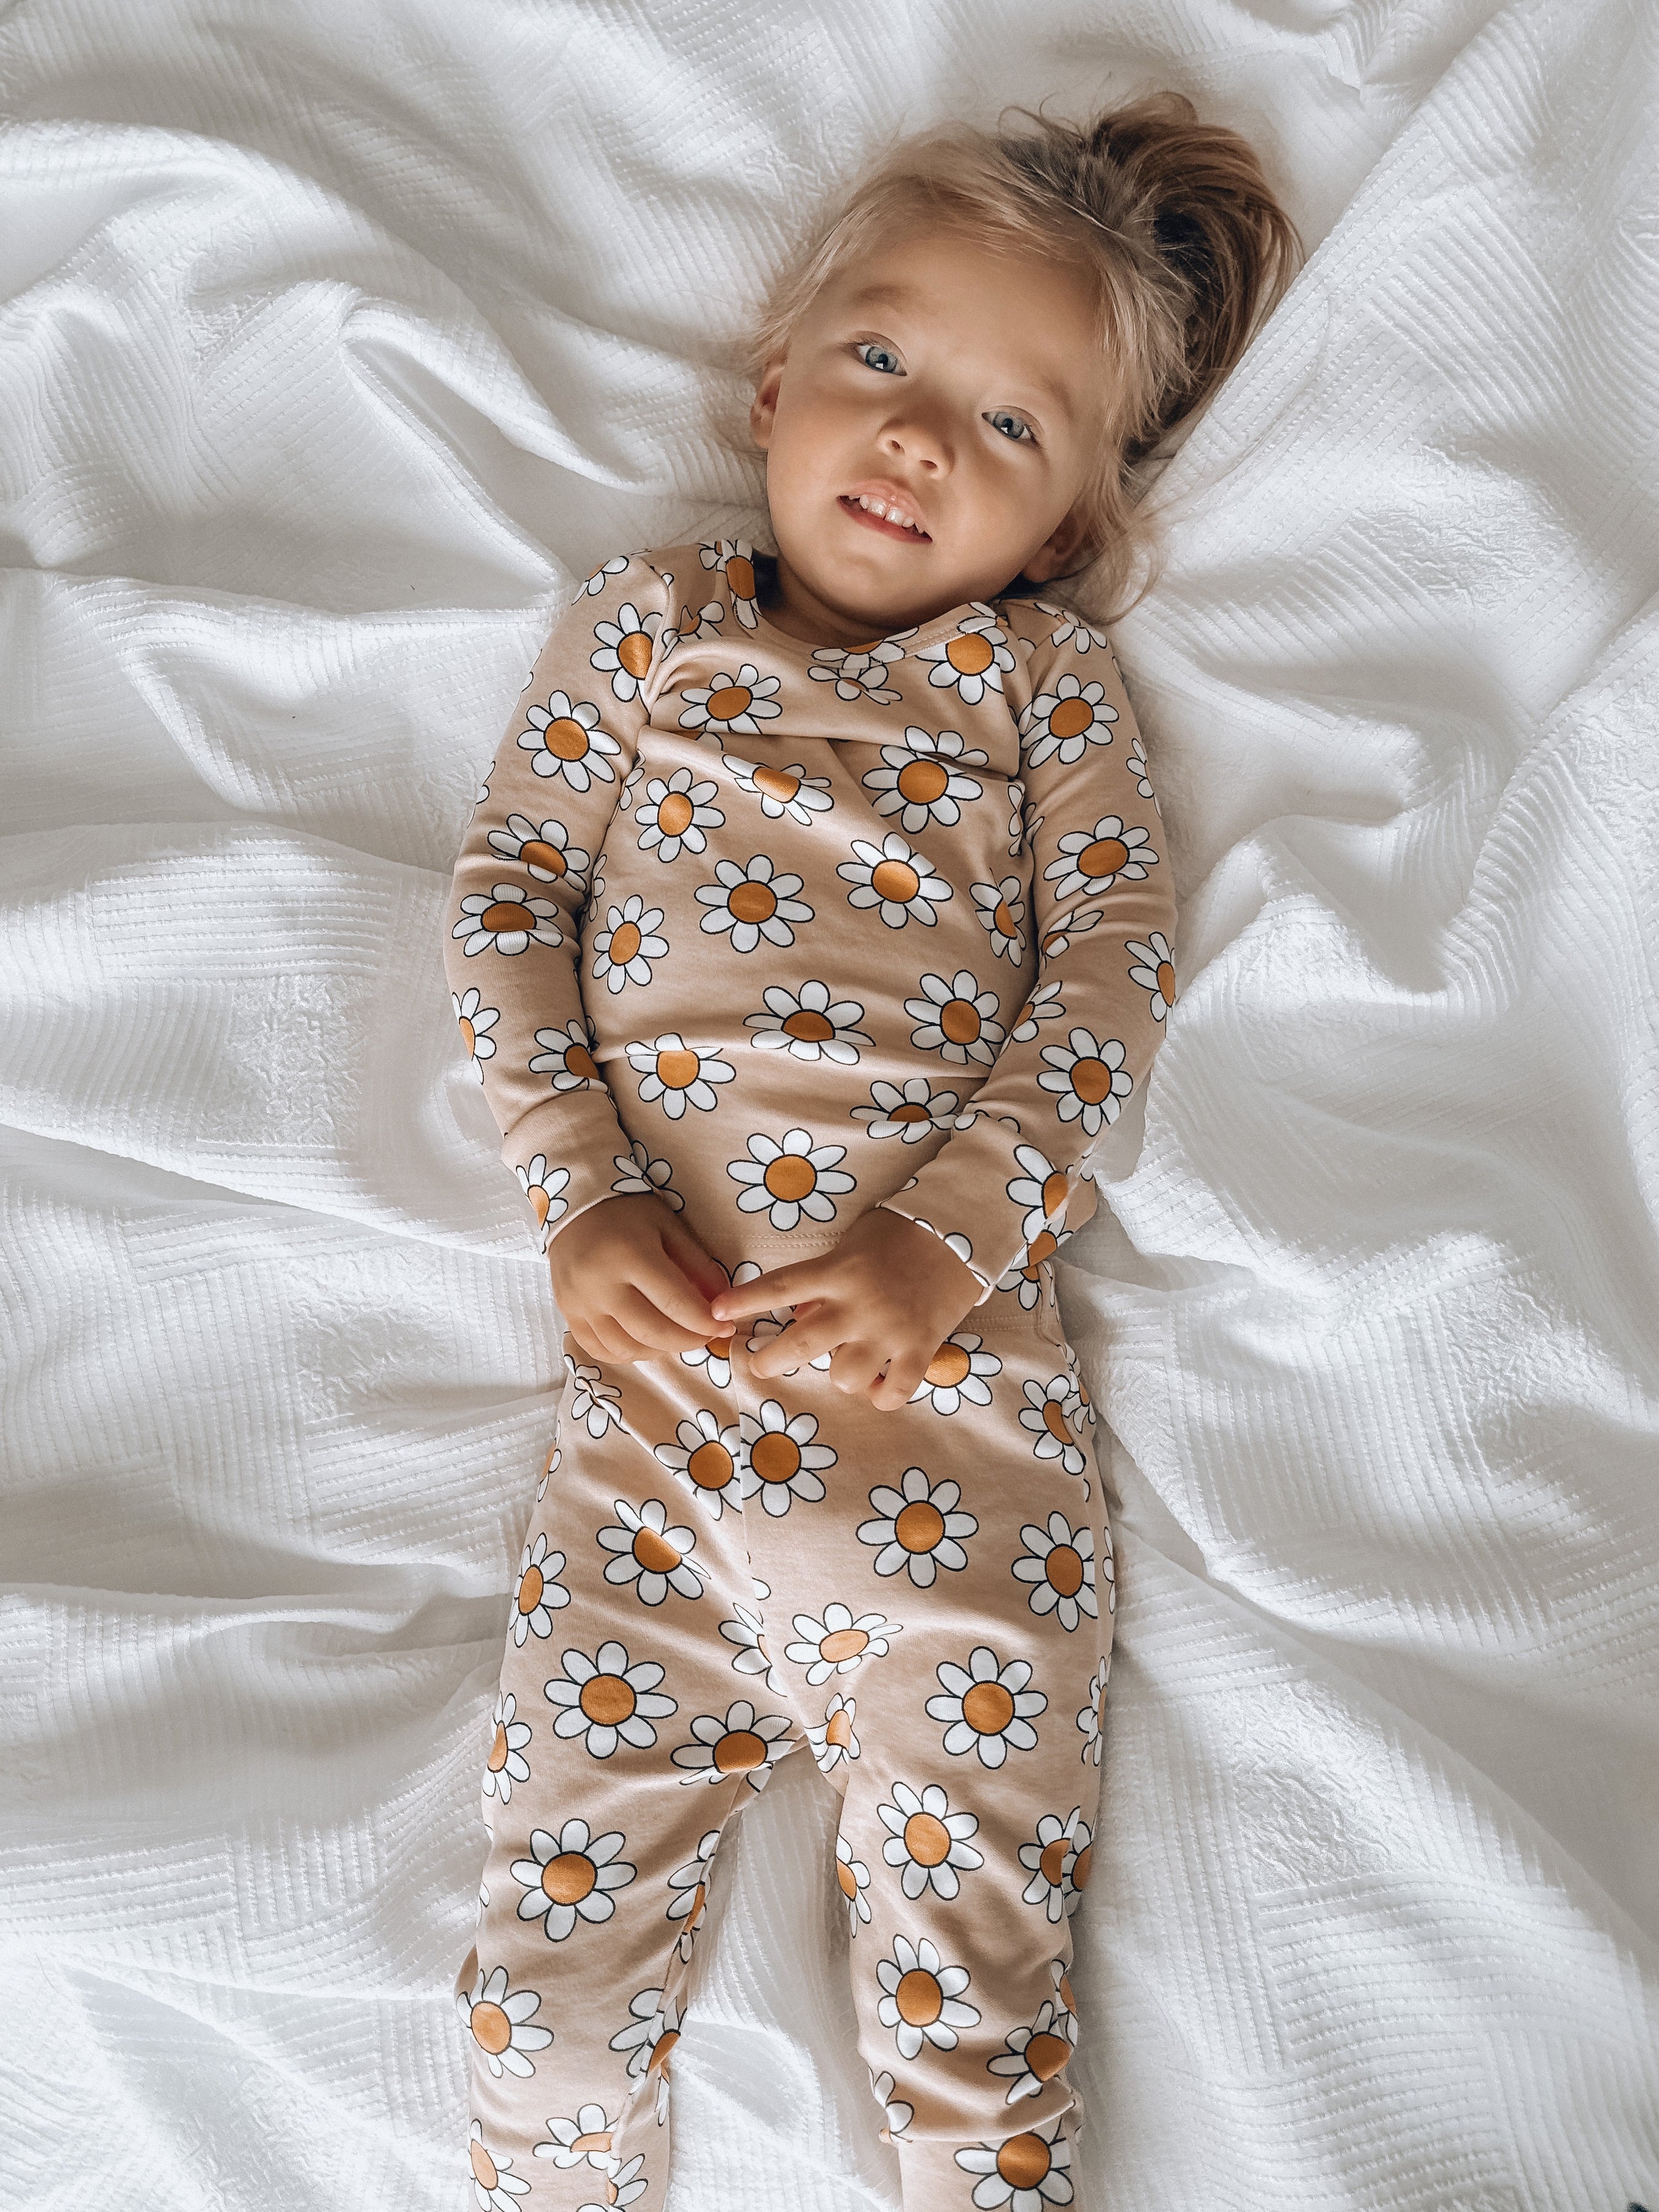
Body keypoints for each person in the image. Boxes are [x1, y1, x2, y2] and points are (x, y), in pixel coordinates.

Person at [442, 90, 1299, 2212]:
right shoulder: (646, 631)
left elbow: (1109, 969)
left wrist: (944, 1240)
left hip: (954, 1452)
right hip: (643, 1453)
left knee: (971, 2046)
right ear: (775, 384)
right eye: (887, 364)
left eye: (1011, 431)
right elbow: (506, 891)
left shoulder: (1037, 690)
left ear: (1070, 531)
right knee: (546, 2008)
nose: (921, 440)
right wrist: (578, 1179)